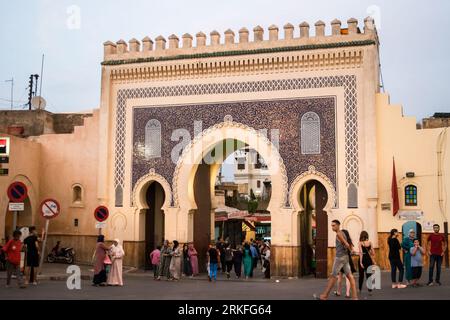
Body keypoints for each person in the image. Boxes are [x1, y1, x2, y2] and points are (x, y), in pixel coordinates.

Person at [314, 220, 358, 300]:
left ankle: (324, 296)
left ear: (338, 225)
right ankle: (355, 297)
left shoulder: (338, 234)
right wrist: (351, 250)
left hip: (340, 258)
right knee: (350, 276)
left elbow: (346, 244)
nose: (332, 227)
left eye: (333, 225)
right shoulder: (343, 233)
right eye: (332, 225)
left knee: (333, 276)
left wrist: (351, 250)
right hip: (345, 257)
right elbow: (347, 244)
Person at [334, 230, 356, 298]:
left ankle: (338, 292)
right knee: (348, 277)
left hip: (341, 260)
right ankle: (347, 293)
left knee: (340, 277)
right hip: (348, 260)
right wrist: (352, 252)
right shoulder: (349, 242)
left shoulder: (340, 242)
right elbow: (352, 252)